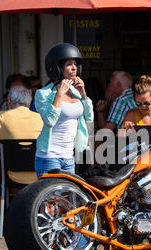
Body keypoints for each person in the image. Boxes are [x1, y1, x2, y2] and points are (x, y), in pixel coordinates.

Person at [34, 43, 94, 176]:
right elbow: (49, 120)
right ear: (58, 68)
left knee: (68, 196)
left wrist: (83, 93)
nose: (74, 68)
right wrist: (59, 95)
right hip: (49, 156)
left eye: (75, 64)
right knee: (51, 196)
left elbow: (89, 118)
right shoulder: (43, 94)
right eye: (69, 64)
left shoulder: (76, 92)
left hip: (69, 156)